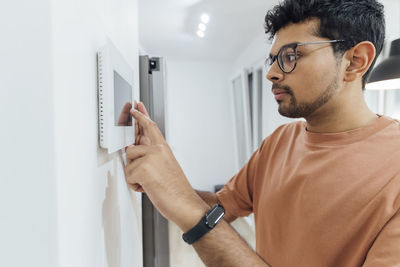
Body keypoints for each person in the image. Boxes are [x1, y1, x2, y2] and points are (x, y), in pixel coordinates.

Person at [125, 0, 400, 266]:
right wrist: (162, 177)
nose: (271, 73)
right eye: (273, 59)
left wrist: (188, 209)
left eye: (291, 56)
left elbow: (199, 213)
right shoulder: (280, 141)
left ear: (355, 61)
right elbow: (222, 207)